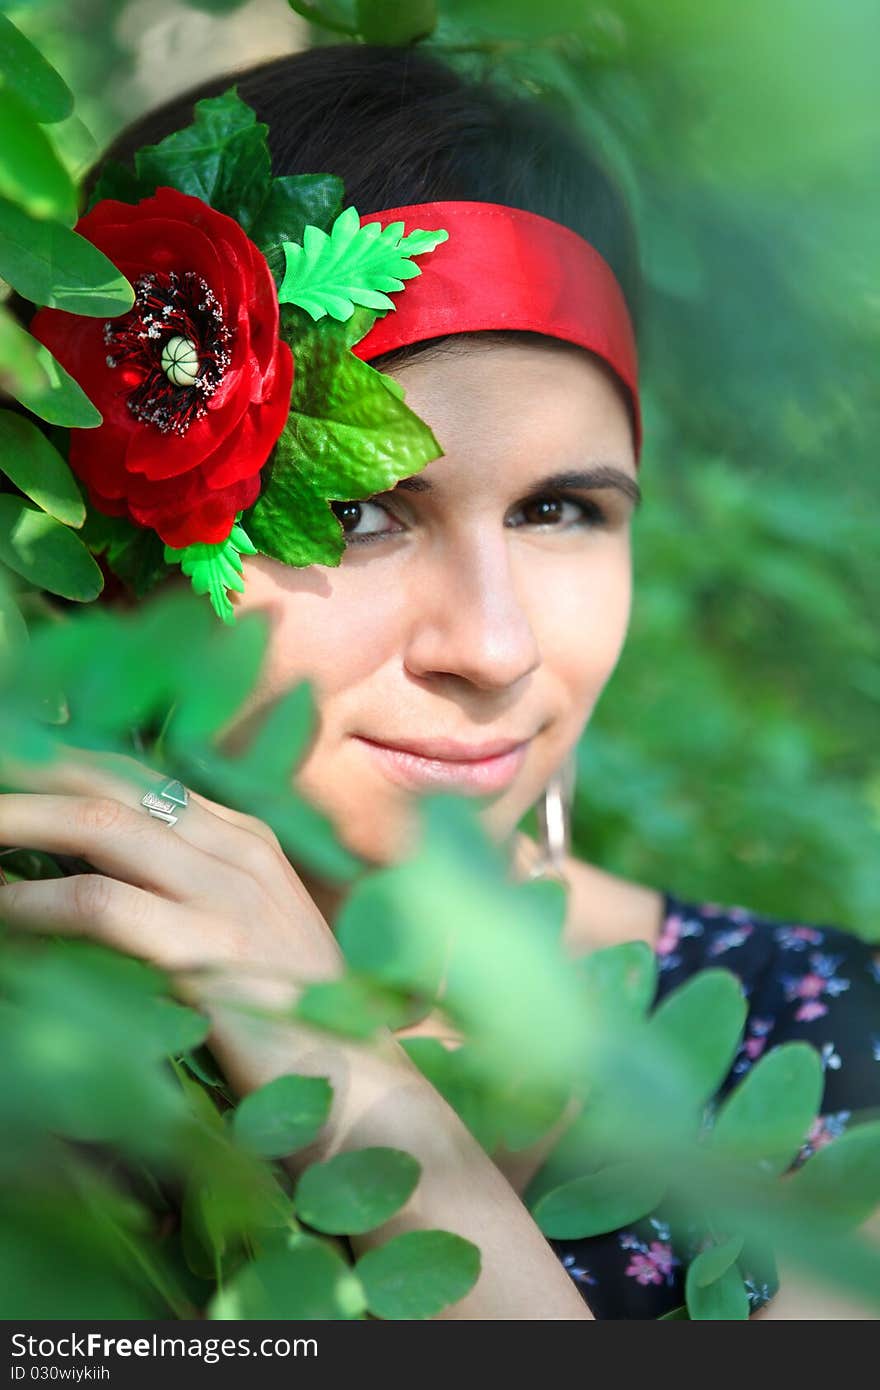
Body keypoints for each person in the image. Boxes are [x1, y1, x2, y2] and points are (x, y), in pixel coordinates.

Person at [3, 43, 878, 1320]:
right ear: (124, 566)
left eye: (561, 509)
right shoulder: (34, 1053)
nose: (495, 644)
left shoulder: (833, 1049)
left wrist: (352, 1091)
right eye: (356, 515)